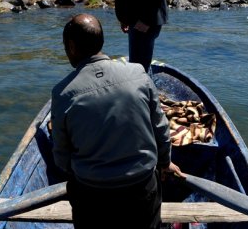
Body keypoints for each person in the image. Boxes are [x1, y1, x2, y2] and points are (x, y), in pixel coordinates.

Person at [51, 13, 183, 229]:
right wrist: (165, 162)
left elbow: (61, 158)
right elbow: (161, 128)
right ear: (101, 42)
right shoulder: (138, 73)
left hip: (92, 195)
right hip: (141, 188)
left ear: (72, 46)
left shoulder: (63, 93)